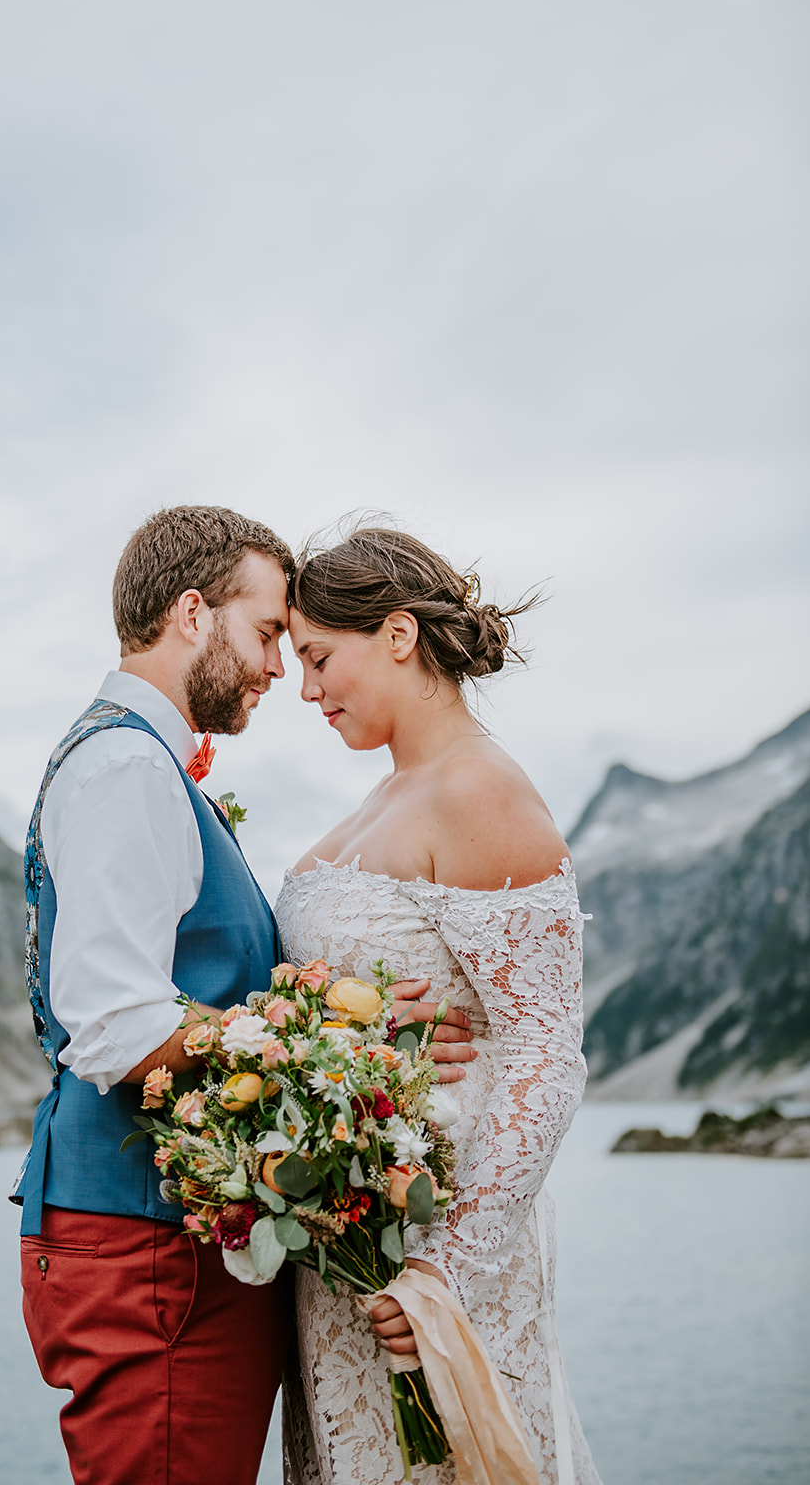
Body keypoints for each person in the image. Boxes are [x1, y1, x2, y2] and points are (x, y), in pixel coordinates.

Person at [14, 505, 476, 1485]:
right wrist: (329, 1051)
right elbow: (115, 1025)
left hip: (167, 1247)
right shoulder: (126, 768)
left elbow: (184, 991)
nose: (279, 666)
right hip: (147, 1251)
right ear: (192, 613)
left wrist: (366, 1031)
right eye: (268, 631)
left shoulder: (143, 767)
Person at [276, 525, 602, 1485]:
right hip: (350, 1233)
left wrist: (444, 1271)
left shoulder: (479, 792)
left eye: (318, 658)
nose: (306, 690)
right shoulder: (384, 797)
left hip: (434, 1243)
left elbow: (547, 1056)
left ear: (398, 634)